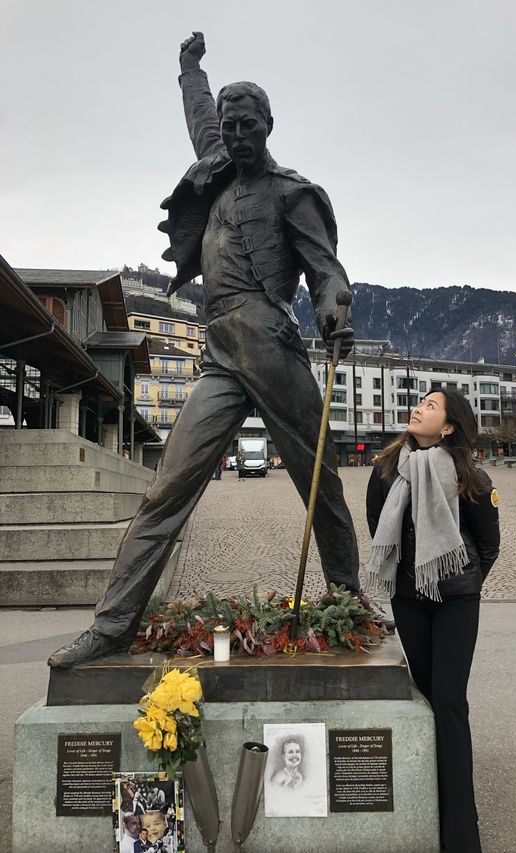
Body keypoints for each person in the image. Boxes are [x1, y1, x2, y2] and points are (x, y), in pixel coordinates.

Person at [48, 30, 361, 668]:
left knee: (318, 480)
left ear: (268, 126)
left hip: (271, 345)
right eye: (230, 123)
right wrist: (189, 67)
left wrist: (333, 308)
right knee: (168, 487)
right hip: (218, 349)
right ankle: (111, 625)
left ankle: (349, 601)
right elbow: (197, 115)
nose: (237, 133)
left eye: (248, 124)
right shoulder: (215, 171)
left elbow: (326, 269)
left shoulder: (291, 193)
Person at [365, 389, 500, 853]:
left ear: (448, 427)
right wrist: (412, 579)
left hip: (456, 603)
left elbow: (487, 545)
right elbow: (378, 529)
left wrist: (462, 581)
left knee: (449, 701)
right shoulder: (386, 472)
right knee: (424, 697)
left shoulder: (471, 478)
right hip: (409, 600)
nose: (419, 407)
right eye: (420, 401)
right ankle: (425, 804)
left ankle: (462, 830)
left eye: (431, 405)